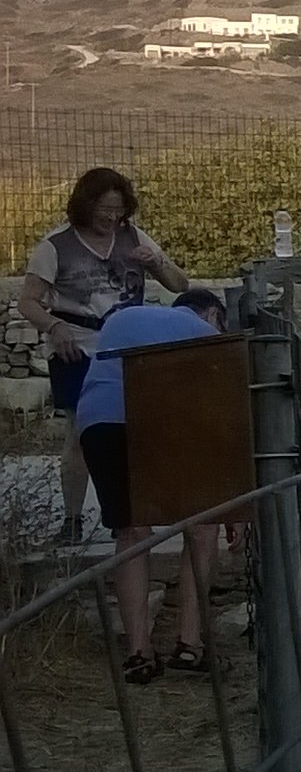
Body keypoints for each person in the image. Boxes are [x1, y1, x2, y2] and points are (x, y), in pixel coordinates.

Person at [17, 167, 189, 545]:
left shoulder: (133, 238)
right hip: (76, 347)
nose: (112, 218)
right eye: (104, 210)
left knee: (138, 430)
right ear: (85, 207)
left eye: (118, 209)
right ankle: (74, 520)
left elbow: (181, 284)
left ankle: (136, 514)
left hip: (129, 345)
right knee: (82, 432)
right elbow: (28, 302)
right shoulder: (55, 246)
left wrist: (156, 263)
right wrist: (54, 327)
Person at [77, 288, 225, 684]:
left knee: (131, 532)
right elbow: (221, 414)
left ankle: (139, 653)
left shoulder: (121, 318)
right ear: (212, 313)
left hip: (98, 421)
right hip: (161, 417)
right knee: (203, 526)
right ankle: (190, 644)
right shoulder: (206, 331)